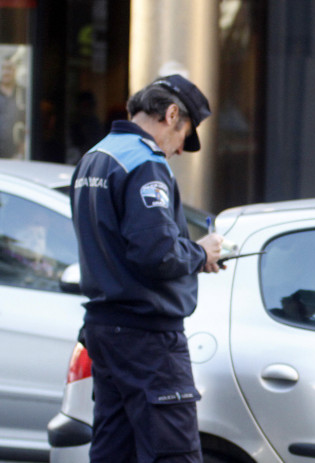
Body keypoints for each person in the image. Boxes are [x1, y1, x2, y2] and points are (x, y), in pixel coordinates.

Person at [70, 74, 225, 463]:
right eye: (183, 137)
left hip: (106, 331)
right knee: (173, 454)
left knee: (113, 452)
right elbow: (156, 255)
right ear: (172, 114)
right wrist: (200, 252)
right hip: (148, 340)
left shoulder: (95, 157)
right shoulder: (145, 163)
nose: (177, 151)